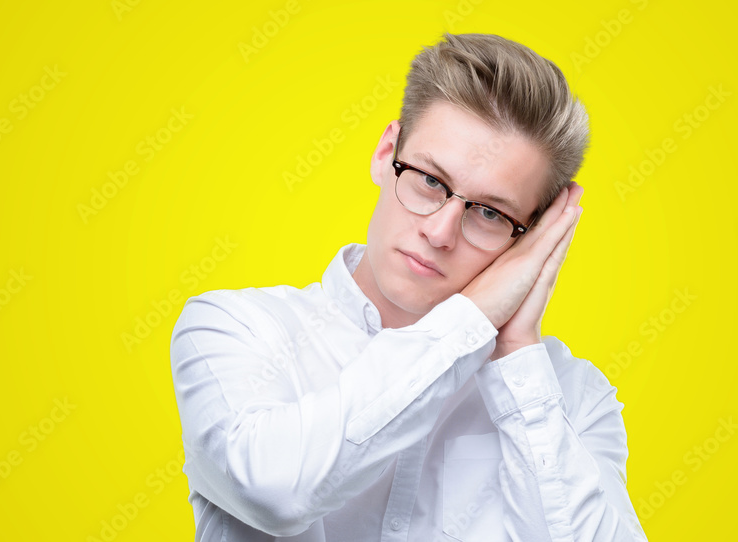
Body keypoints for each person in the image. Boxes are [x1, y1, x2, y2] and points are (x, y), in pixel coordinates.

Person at [170, 32, 649, 541]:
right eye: (429, 180)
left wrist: (514, 353)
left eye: (489, 213)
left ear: (534, 237)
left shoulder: (570, 398)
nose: (440, 232)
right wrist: (472, 318)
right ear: (385, 153)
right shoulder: (232, 328)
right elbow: (274, 494)